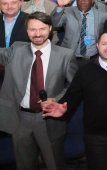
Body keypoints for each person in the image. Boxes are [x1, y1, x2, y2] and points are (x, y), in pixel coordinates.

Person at [42, 31, 107, 170]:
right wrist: (63, 107)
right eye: (104, 43)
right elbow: (72, 96)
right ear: (97, 46)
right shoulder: (84, 71)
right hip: (95, 133)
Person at [0, 12, 77, 170]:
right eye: (32, 30)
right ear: (27, 31)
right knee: (24, 166)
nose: (37, 34)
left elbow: (74, 86)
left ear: (50, 28)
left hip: (49, 119)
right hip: (19, 119)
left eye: (42, 29)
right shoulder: (16, 49)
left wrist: (57, 99)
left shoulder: (65, 55)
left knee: (54, 164)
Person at [52, 0, 107, 67]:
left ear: (92, 1)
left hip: (93, 58)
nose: (82, 2)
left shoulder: (102, 15)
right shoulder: (68, 11)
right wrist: (60, 6)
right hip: (71, 58)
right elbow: (55, 24)